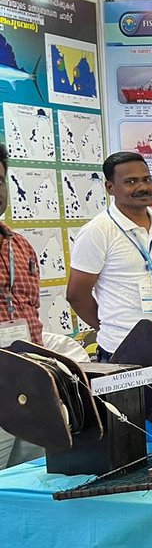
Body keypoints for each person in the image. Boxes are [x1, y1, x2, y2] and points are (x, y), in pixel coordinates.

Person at [66, 151, 152, 360]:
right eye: (131, 181)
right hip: (120, 348)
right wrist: (110, 326)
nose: (143, 187)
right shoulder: (98, 231)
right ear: (110, 187)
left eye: (146, 179)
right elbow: (76, 294)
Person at [0, 143, 47, 468]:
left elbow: (32, 313)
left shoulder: (20, 246)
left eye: (1, 180)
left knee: (32, 480)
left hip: (27, 381)